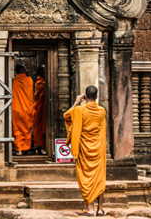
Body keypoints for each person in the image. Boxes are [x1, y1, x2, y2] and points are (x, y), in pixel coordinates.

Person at [64, 85, 106, 216]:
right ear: (97, 97)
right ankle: (100, 209)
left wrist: (77, 102)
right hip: (98, 148)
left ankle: (90, 208)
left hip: (84, 147)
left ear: (85, 96)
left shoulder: (79, 110)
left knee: (86, 177)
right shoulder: (102, 111)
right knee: (99, 178)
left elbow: (66, 116)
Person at [12, 63, 34, 155]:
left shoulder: (14, 81)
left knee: (16, 129)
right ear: (23, 70)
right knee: (26, 129)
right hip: (27, 109)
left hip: (16, 109)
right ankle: (26, 148)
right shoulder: (29, 80)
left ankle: (19, 149)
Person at [33, 64, 46, 155]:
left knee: (44, 126)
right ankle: (38, 146)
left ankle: (45, 146)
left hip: (45, 106)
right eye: (44, 70)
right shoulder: (40, 83)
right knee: (39, 127)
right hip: (39, 106)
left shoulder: (43, 82)